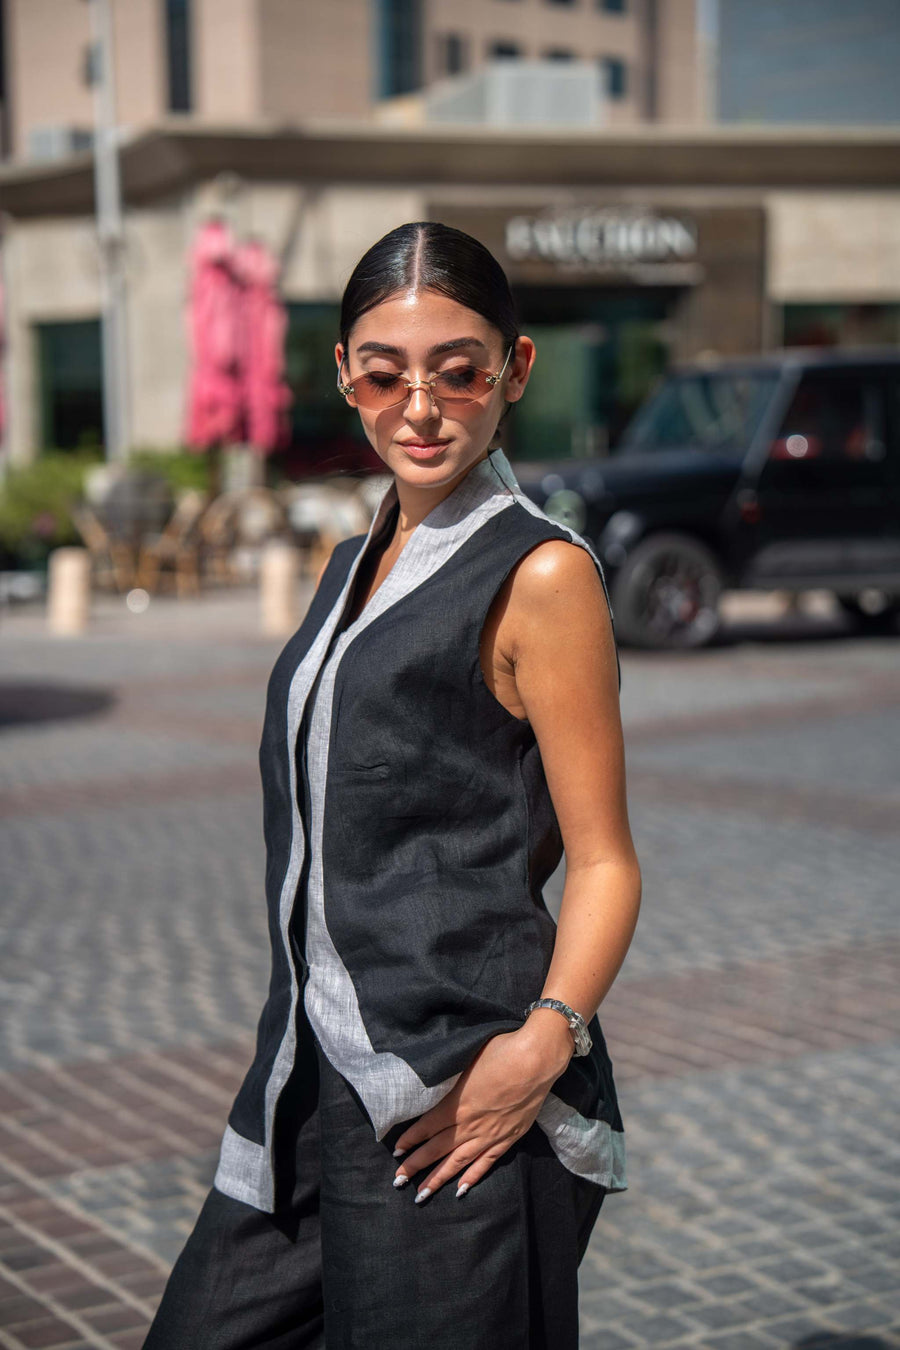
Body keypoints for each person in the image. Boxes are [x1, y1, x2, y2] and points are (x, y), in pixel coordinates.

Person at [142, 221, 642, 1350]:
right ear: (345, 379)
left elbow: (602, 854)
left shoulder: (541, 573)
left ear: (512, 373)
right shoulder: (353, 563)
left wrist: (540, 1044)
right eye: (385, 372)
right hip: (307, 1083)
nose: (421, 406)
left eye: (458, 371)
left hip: (460, 1100)